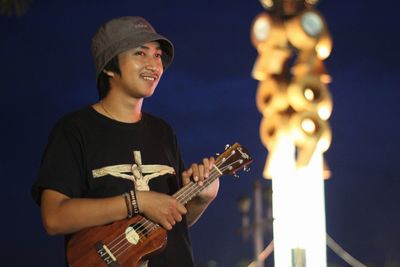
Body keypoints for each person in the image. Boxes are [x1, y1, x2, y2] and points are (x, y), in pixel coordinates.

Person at [31, 16, 219, 267]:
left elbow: (169, 221)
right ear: (110, 66)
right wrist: (137, 201)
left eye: (158, 55)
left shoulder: (163, 132)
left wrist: (200, 199)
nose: (154, 64)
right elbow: (54, 217)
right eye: (140, 53)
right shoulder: (74, 130)